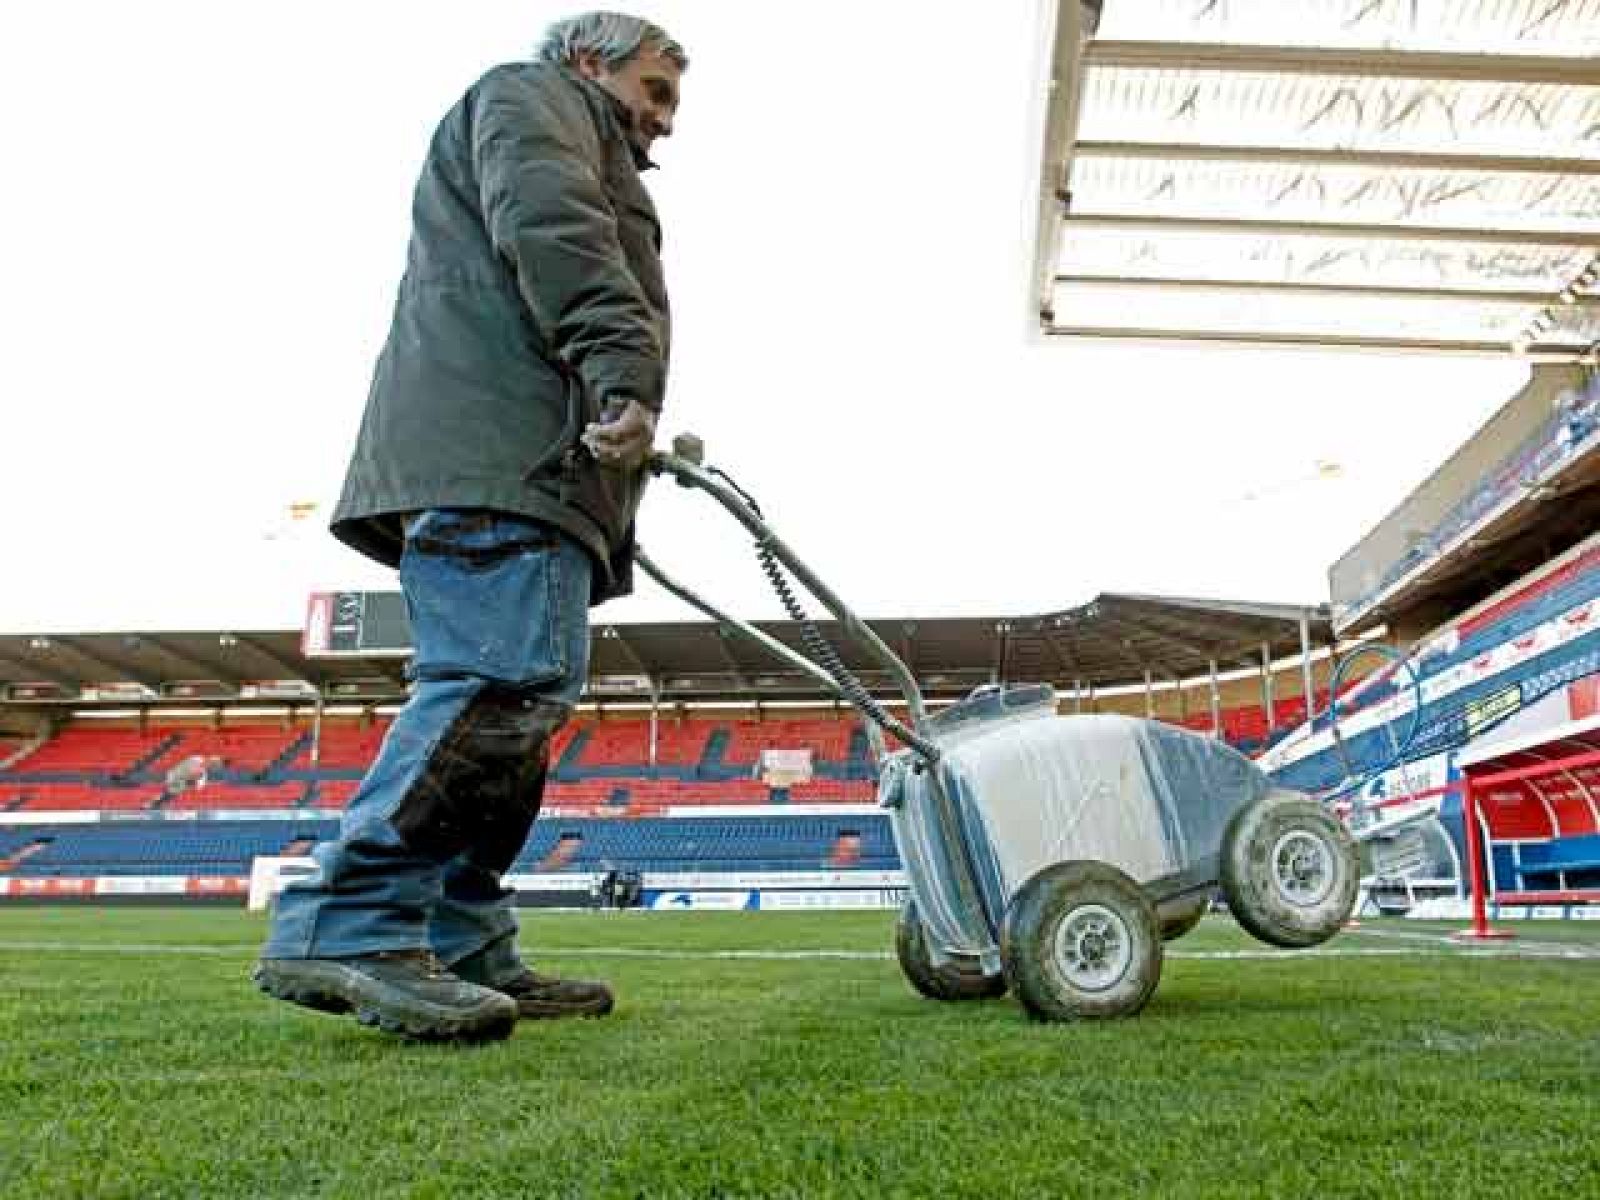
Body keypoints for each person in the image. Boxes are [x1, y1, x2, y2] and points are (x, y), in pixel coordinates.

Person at [254, 11, 686, 1041]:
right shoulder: (534, 98)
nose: (666, 121)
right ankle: (350, 921)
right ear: (588, 61)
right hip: (503, 457)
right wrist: (623, 370)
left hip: (532, 463)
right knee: (499, 685)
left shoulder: (562, 119)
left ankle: (460, 941)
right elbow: (553, 226)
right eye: (656, 91)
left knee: (518, 712)